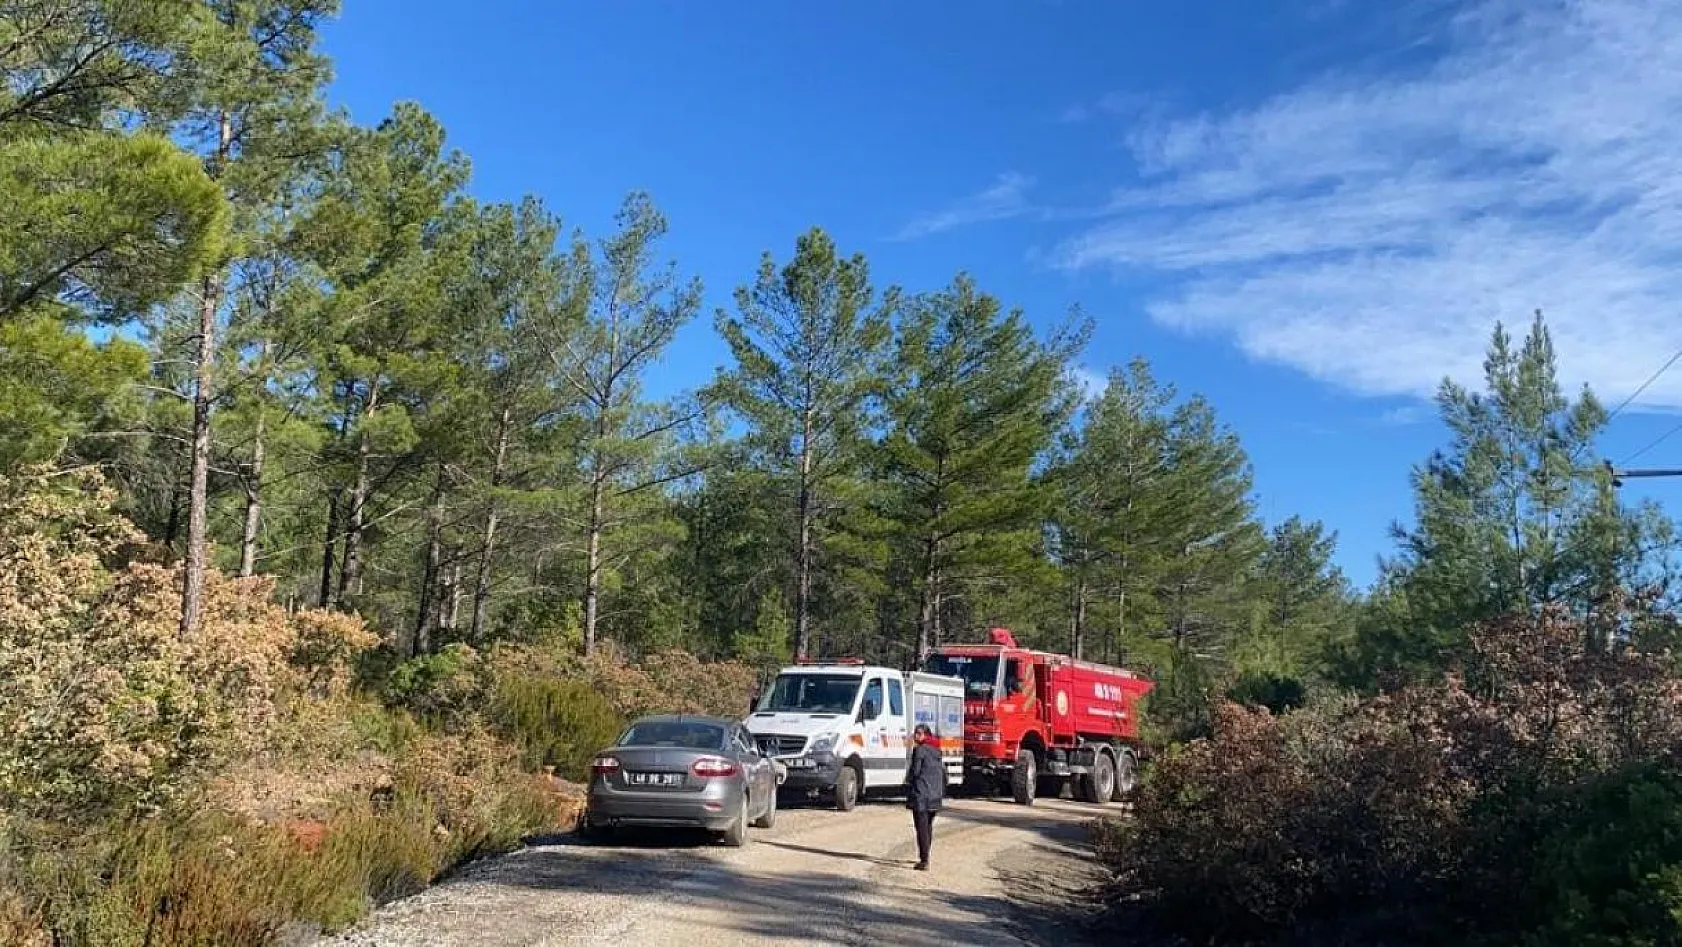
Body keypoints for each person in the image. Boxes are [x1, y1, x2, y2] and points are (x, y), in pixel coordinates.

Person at [904, 723, 944, 870]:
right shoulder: (937, 751)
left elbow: (915, 772)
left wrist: (907, 783)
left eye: (919, 733)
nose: (915, 736)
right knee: (928, 827)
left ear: (926, 735)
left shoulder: (919, 750)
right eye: (915, 733)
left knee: (921, 828)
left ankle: (924, 860)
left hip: (921, 794)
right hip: (935, 795)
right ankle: (926, 855)